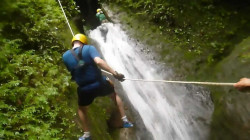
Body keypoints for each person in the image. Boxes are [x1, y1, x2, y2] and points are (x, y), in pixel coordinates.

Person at [62, 34, 133, 140]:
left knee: (81, 109)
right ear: (84, 42)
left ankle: (87, 134)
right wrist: (115, 73)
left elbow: (73, 70)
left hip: (84, 88)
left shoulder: (65, 56)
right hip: (99, 83)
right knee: (113, 94)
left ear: (73, 43)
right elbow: (98, 61)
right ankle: (125, 120)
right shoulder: (89, 48)